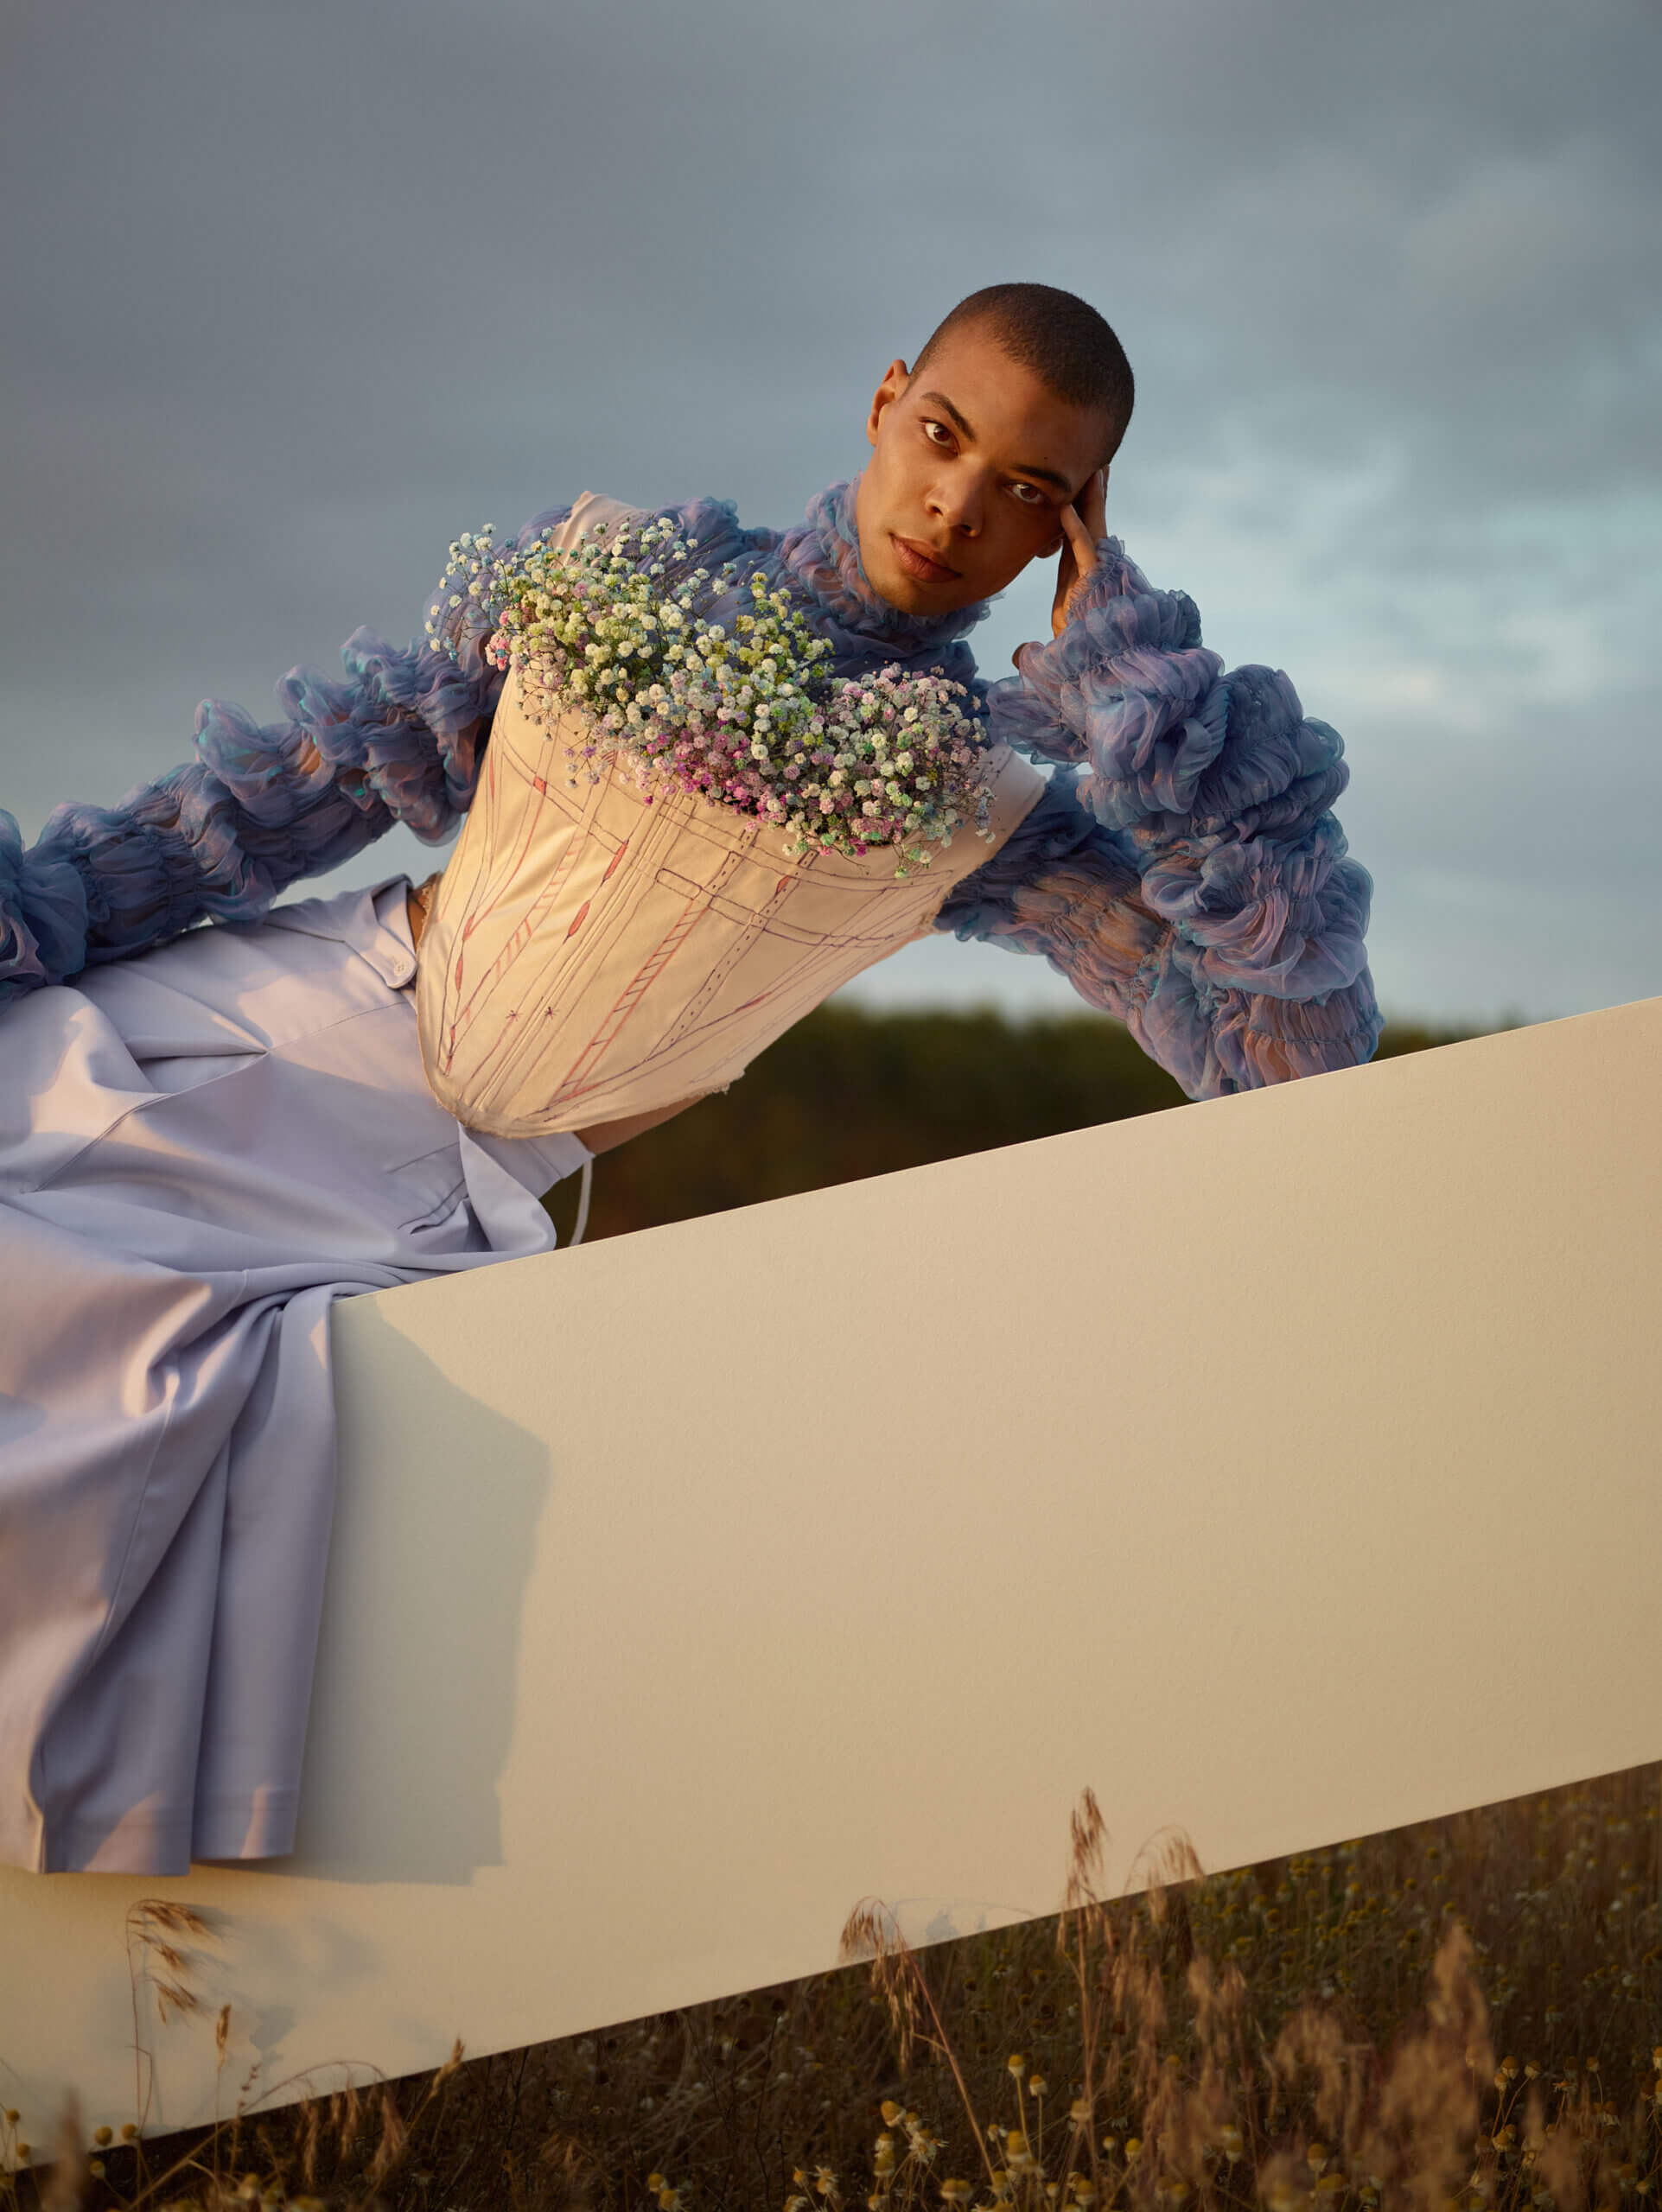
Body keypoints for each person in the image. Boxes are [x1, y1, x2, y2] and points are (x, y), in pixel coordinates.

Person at [0, 283, 1382, 1875]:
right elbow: (254, 816)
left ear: (1076, 528)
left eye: (1028, 489)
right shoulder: (618, 576)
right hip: (271, 1028)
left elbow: (1295, 1068)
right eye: (943, 438)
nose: (957, 505)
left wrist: (1150, 711)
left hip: (437, 1205)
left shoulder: (987, 805)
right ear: (883, 402)